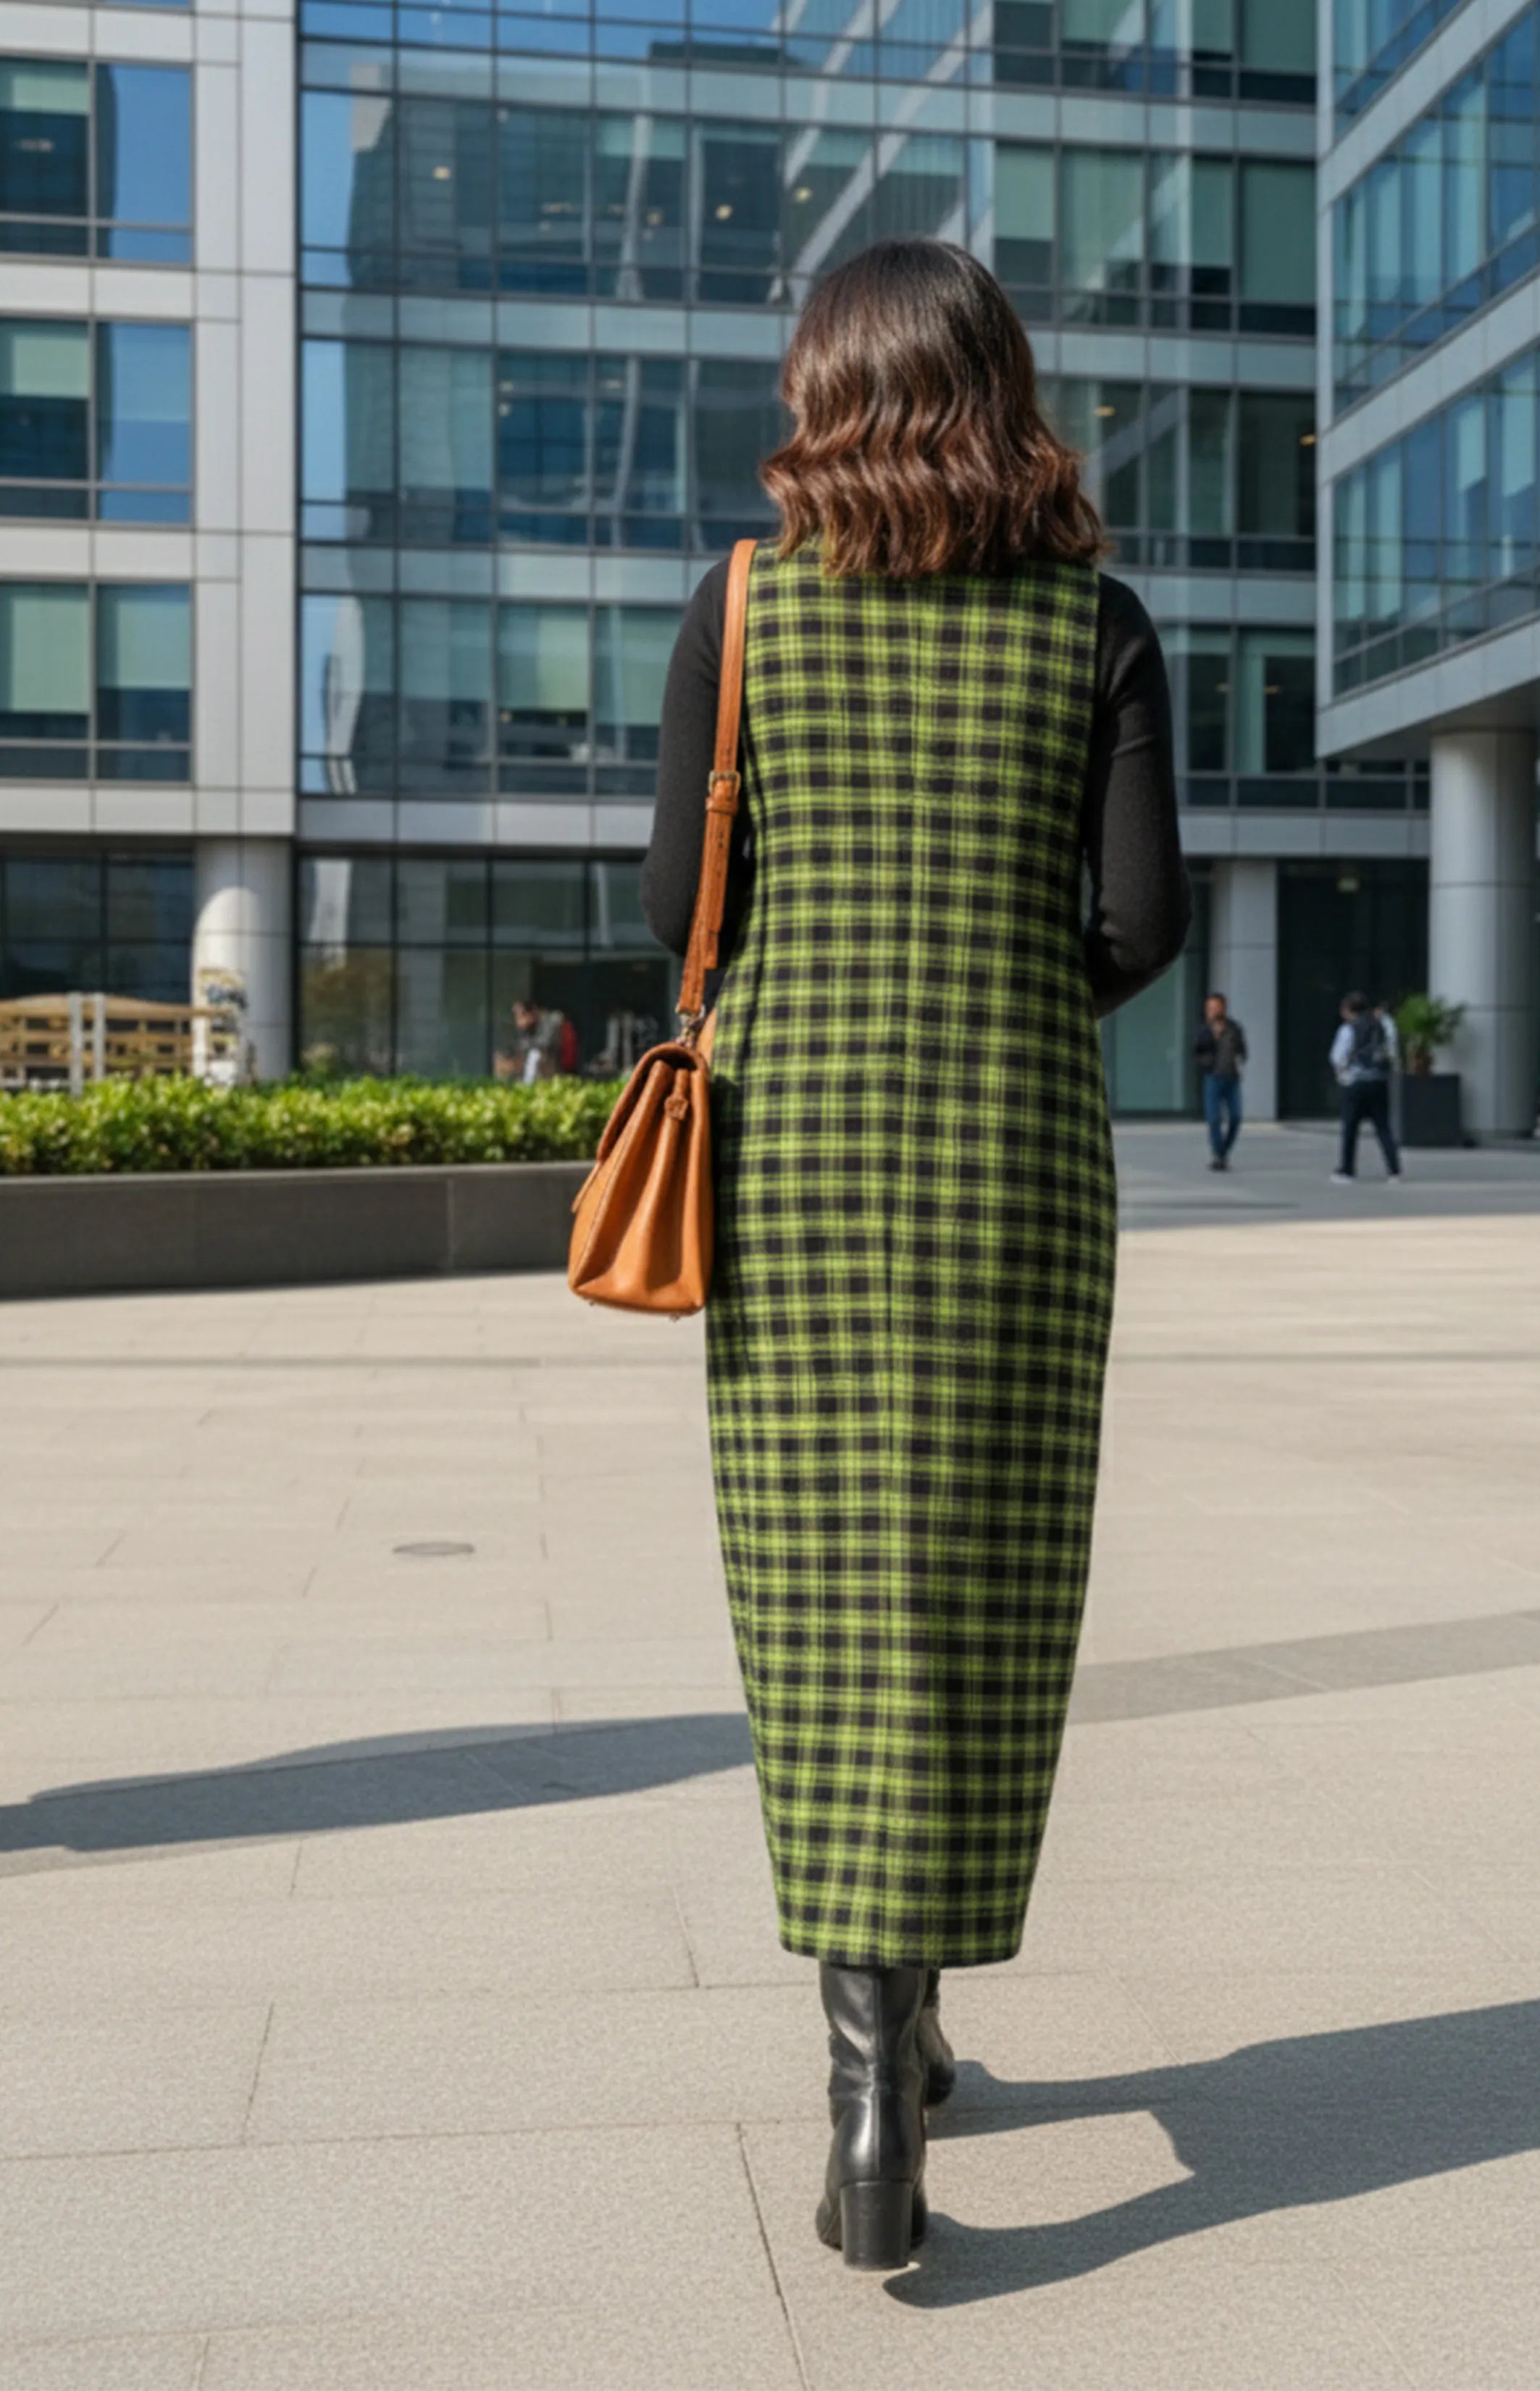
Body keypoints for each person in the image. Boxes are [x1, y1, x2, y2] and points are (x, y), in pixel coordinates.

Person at [641, 238, 1192, 2272]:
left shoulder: (746, 605)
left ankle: (869, 2055)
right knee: (974, 1564)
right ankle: (919, 2007)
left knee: (816, 1577)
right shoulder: (1097, 621)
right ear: (999, 389)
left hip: (791, 1156)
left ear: (826, 393)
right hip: (1010, 1160)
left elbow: (674, 901)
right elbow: (1135, 925)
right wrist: (997, 982)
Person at [1331, 990, 1402, 1183]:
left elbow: (1338, 1057)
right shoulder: (1380, 1026)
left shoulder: (1348, 1029)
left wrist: (1342, 1075)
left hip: (1355, 1082)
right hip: (1378, 1082)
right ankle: (1394, 1170)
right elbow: (1392, 1051)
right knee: (1383, 1127)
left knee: (1350, 1128)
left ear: (1347, 1010)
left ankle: (1347, 1171)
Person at [1194, 990, 1247, 1171]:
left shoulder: (1234, 1028)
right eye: (1209, 1008)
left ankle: (1223, 1152)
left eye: (1216, 1008)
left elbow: (1242, 1051)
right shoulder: (1204, 1031)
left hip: (1232, 1079)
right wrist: (1213, 1039)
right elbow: (1198, 1054)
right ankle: (1219, 1155)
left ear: (1223, 1008)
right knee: (1214, 1119)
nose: (1212, 1012)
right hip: (1213, 1078)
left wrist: (1240, 1063)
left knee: (1236, 1117)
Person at [498, 997, 568, 1083]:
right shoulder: (525, 1029)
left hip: (554, 1064)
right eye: (517, 1017)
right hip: (531, 1062)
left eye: (523, 1015)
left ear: (533, 1012)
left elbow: (545, 1044)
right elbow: (518, 1045)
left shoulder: (552, 1021)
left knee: (535, 1055)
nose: (520, 1022)